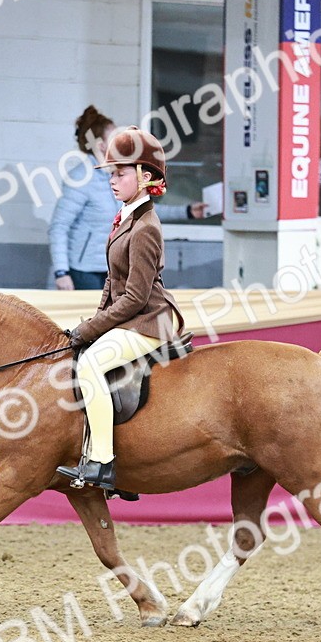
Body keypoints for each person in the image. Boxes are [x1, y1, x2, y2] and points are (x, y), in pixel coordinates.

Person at [55, 126, 186, 492]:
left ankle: (102, 462)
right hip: (134, 318)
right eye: (111, 173)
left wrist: (90, 330)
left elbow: (135, 298)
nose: (112, 180)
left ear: (145, 177)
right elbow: (112, 283)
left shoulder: (145, 227)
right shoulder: (127, 216)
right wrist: (93, 322)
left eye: (120, 173)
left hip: (150, 321)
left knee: (91, 364)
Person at [48, 105, 205, 291]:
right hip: (84, 272)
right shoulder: (80, 178)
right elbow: (59, 227)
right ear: (101, 146)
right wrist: (61, 272)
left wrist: (187, 212)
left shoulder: (122, 173)